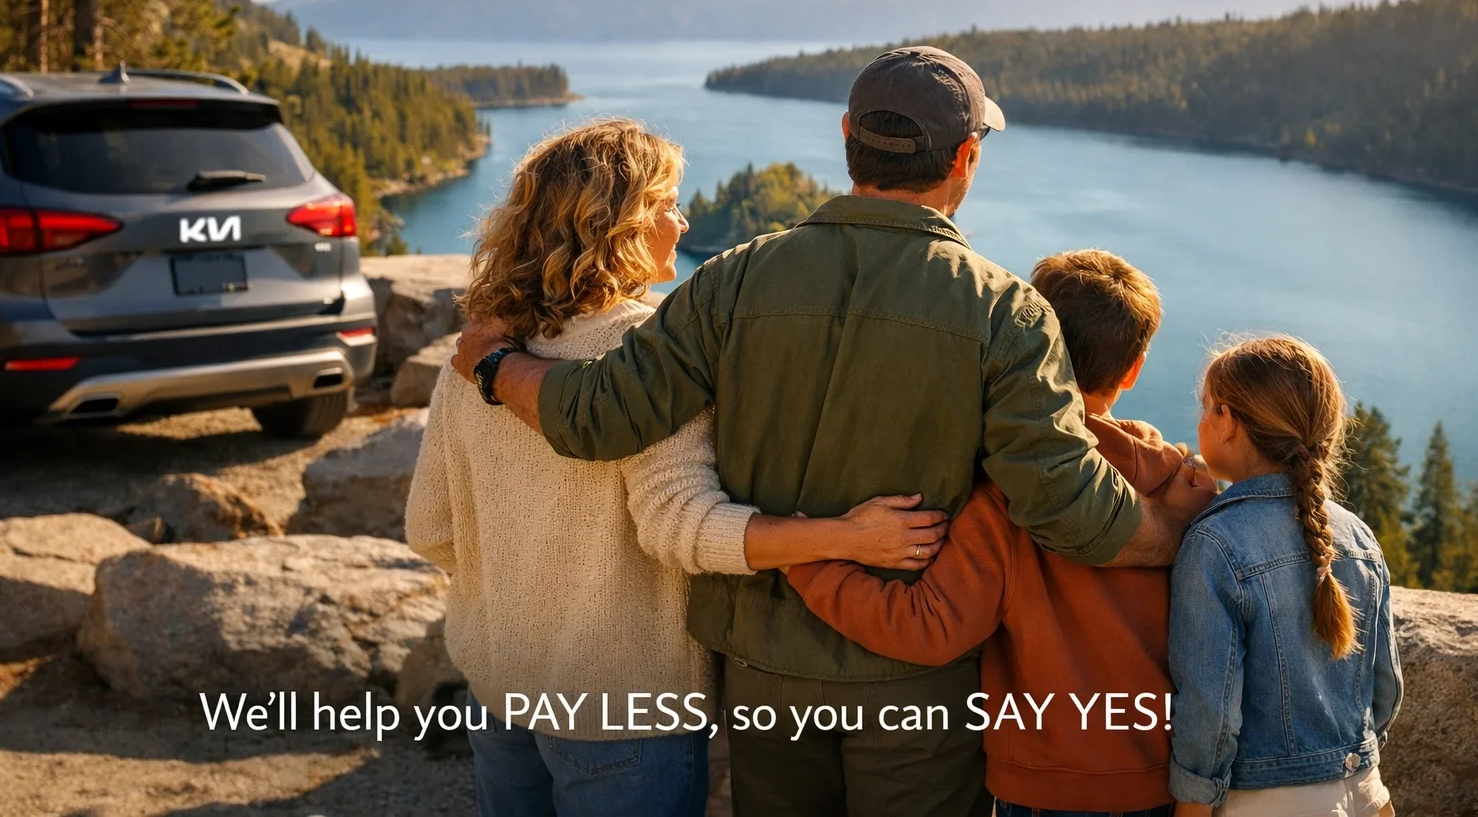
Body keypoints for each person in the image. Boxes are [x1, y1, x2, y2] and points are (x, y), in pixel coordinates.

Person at [453, 48, 1211, 817]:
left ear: (849, 135)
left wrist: (492, 366)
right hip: (915, 687)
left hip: (765, 670)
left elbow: (599, 415)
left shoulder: (735, 278)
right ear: (966, 156)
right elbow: (1067, 507)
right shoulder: (1004, 314)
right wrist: (1180, 530)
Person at [404, 120, 949, 817]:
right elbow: (682, 526)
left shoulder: (476, 354)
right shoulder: (652, 350)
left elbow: (431, 529)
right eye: (666, 205)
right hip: (625, 711)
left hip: (500, 693)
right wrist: (847, 535)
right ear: (618, 223)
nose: (681, 220)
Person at [786, 249, 1214, 817]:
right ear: (1132, 370)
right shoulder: (1181, 486)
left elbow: (929, 626)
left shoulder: (1004, 497)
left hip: (1046, 785)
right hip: (1158, 779)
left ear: (1023, 345)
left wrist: (807, 561)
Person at [1169, 336, 1403, 817]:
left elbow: (1209, 713)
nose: (1200, 421)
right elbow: (1386, 687)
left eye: (1208, 407)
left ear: (1228, 421)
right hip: (1365, 792)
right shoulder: (1358, 537)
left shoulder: (1215, 542)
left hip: (1260, 802)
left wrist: (1191, 805)